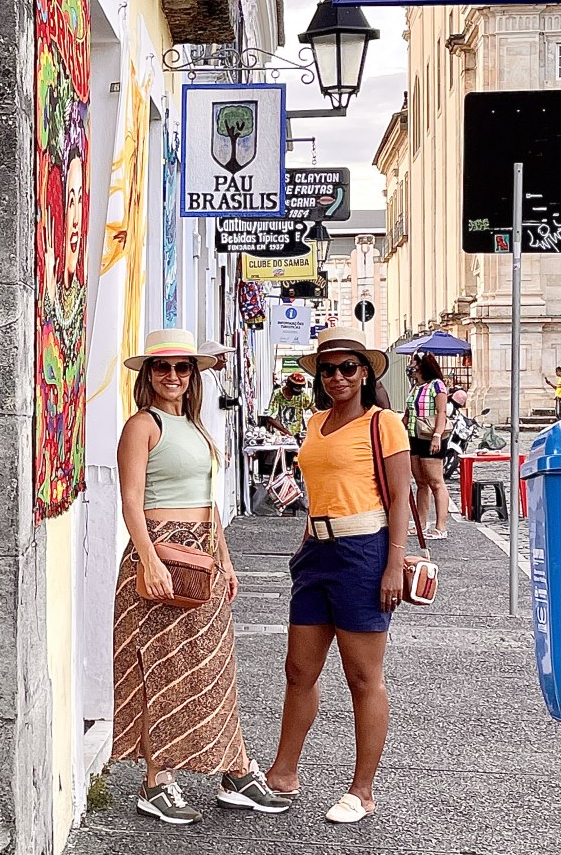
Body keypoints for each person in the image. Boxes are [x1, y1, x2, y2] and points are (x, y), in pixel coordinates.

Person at [111, 328, 290, 824]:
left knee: (212, 666)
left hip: (201, 552)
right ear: (149, 375)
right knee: (160, 666)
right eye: (163, 367)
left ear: (193, 376)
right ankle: (156, 781)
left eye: (182, 367)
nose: (172, 375)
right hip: (160, 550)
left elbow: (209, 503)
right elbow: (130, 502)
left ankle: (234, 769)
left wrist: (226, 560)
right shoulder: (142, 425)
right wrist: (148, 560)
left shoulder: (196, 427)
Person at [265, 327, 412, 823]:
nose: (337, 377)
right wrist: (305, 542)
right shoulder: (315, 423)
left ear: (365, 372)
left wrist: (393, 563)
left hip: (363, 552)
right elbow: (321, 486)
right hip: (316, 553)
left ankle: (362, 791)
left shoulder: (383, 423)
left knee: (363, 677)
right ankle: (283, 773)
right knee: (298, 670)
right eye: (327, 369)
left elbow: (400, 497)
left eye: (348, 367)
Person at [404, 352, 450, 539]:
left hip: (430, 436)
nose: (410, 367)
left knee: (436, 482)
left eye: (413, 363)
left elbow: (441, 412)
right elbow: (408, 413)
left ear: (421, 366)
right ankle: (421, 523)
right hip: (414, 437)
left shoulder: (437, 385)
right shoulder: (415, 387)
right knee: (421, 482)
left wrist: (437, 435)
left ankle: (441, 526)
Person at [262, 372, 316, 438]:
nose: (298, 391)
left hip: (298, 434)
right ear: (288, 385)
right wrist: (286, 432)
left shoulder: (302, 395)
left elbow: (314, 410)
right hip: (281, 435)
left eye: (300, 388)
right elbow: (270, 418)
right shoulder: (278, 394)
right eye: (296, 388)